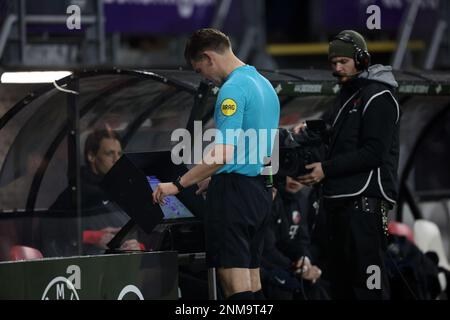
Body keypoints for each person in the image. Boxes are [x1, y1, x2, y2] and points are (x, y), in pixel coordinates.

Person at [152, 28, 280, 300]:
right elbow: (260, 149)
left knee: (234, 285)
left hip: (234, 196)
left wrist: (178, 184)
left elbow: (222, 154)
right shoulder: (264, 84)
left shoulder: (232, 90)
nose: (205, 78)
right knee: (251, 279)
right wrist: (215, 176)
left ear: (208, 57)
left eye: (199, 70)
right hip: (259, 192)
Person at [297, 30, 400, 299]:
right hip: (339, 208)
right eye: (333, 63)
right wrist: (306, 128)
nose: (337, 68)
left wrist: (325, 169)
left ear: (362, 60)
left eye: (343, 61)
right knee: (341, 288)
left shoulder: (379, 97)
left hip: (364, 210)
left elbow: (373, 153)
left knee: (368, 289)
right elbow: (332, 130)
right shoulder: (347, 96)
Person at [44, 129, 142, 256]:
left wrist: (138, 246)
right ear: (92, 156)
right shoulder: (78, 192)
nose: (116, 159)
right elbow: (51, 230)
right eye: (109, 154)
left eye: (119, 154)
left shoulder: (123, 190)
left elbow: (142, 233)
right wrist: (92, 237)